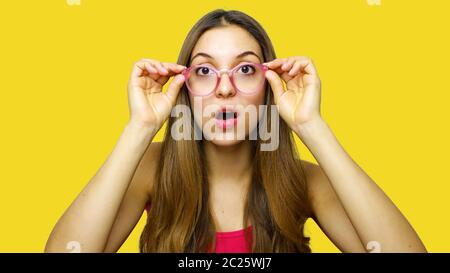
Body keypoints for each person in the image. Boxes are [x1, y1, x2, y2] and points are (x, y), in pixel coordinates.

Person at [45, 9, 426, 253]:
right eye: (204, 71)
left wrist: (312, 125)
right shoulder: (152, 169)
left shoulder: (304, 183)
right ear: (185, 88)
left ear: (268, 87)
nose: (224, 88)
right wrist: (140, 127)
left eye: (245, 69)